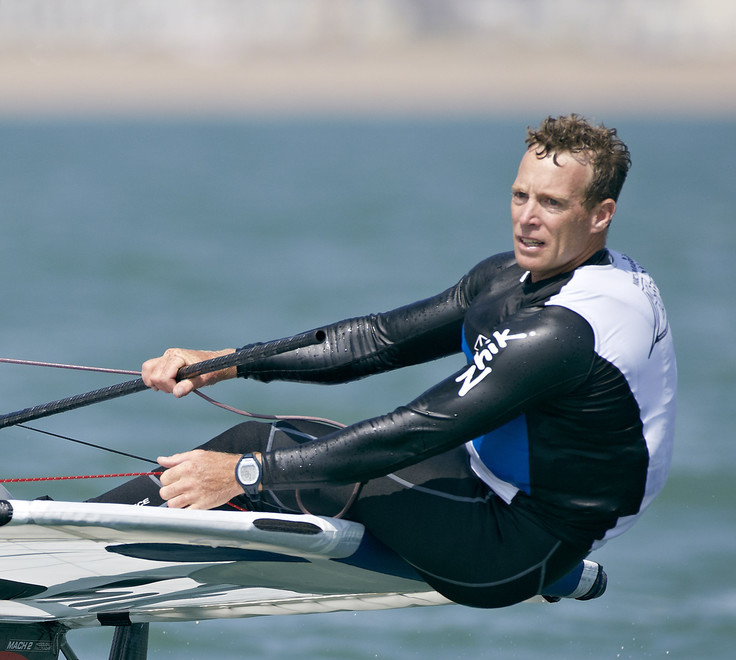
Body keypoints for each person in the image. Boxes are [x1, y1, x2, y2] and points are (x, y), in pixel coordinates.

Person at [98, 115, 675, 609]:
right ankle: (102, 539)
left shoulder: (564, 330)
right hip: (488, 488)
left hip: (519, 546)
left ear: (600, 215)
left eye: (551, 203)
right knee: (274, 452)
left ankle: (79, 543)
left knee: (259, 452)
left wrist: (244, 472)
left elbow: (416, 431)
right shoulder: (514, 276)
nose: (527, 217)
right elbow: (376, 340)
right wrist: (232, 361)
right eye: (521, 195)